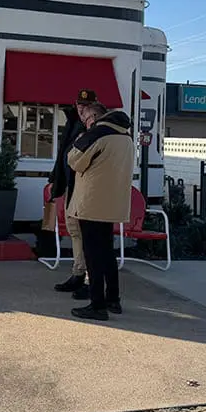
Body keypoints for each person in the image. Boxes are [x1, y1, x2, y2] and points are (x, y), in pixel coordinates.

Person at [66, 89, 135, 321]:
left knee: (93, 255)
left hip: (92, 203)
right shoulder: (126, 136)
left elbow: (75, 161)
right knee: (107, 253)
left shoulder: (97, 134)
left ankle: (97, 305)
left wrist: (80, 139)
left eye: (85, 118)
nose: (84, 121)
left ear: (93, 116)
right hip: (113, 203)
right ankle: (113, 299)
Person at [47, 103, 88, 297]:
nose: (82, 111)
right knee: (75, 230)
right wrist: (57, 178)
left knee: (87, 234)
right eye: (80, 106)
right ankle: (78, 273)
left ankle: (88, 279)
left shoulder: (94, 129)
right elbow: (63, 154)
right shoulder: (73, 122)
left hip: (87, 188)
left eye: (86, 108)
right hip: (72, 185)